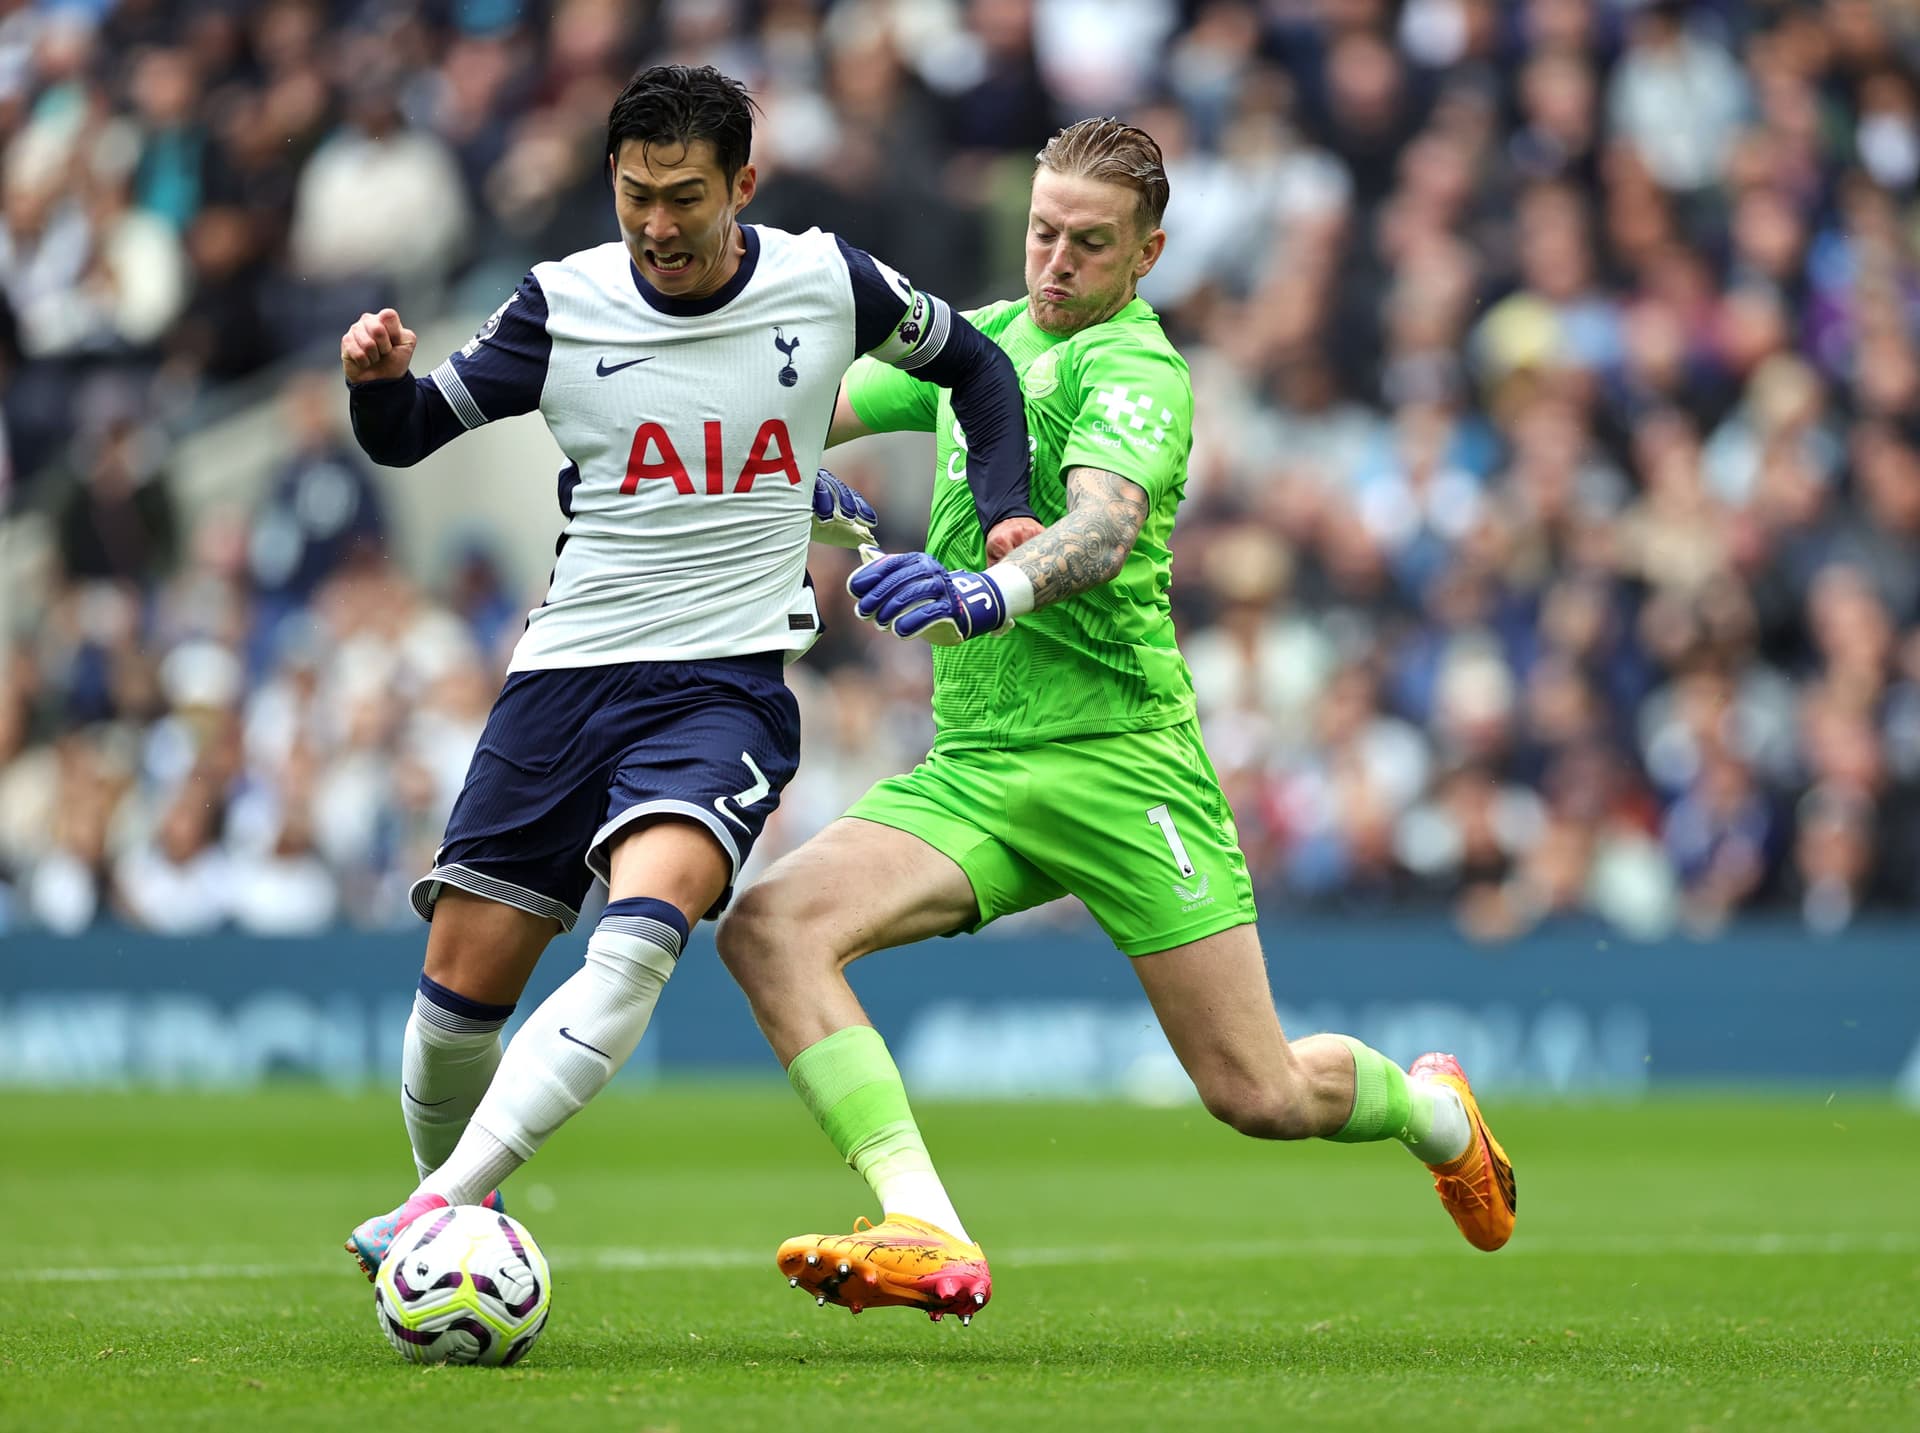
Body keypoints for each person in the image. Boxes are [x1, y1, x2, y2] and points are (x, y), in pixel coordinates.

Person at [716, 118, 1515, 1325]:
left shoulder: (1140, 368)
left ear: (1147, 254)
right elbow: (793, 406)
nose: (1056, 262)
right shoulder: (975, 340)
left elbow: (1102, 527)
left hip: (1121, 765)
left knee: (1258, 1089)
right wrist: (766, 470)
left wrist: (990, 590)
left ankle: (1438, 1113)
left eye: (1091, 243)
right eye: (1043, 231)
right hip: (976, 770)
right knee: (770, 926)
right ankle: (924, 1220)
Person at [338, 64, 1034, 1279]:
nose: (657, 224)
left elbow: (979, 365)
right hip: (564, 679)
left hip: (723, 687)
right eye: (635, 194)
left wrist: (1009, 511)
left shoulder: (828, 281)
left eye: (685, 196)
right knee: (457, 997)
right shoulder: (561, 305)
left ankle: (431, 1212)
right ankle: (446, 1208)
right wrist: (374, 382)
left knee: (641, 935)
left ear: (743, 186)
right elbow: (410, 435)